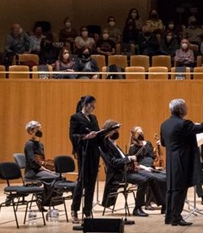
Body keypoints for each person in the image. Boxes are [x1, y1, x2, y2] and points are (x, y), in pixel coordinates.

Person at [160, 99, 203, 226]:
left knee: (171, 189)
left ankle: (168, 217)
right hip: (181, 160)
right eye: (185, 107)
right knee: (179, 189)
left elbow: (163, 143)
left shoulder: (164, 124)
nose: (187, 109)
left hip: (170, 160)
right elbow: (201, 127)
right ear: (180, 110)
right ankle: (176, 218)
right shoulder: (183, 124)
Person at [100, 120, 161, 217]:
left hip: (125, 171)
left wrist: (131, 160)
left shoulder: (113, 144)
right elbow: (113, 163)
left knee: (150, 177)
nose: (117, 132)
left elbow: (121, 158)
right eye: (115, 130)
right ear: (109, 131)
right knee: (143, 180)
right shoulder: (105, 146)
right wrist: (128, 158)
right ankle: (137, 209)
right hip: (117, 174)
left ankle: (163, 203)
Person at [69, 95, 101, 223]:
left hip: (94, 153)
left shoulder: (93, 118)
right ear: (85, 104)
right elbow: (72, 135)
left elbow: (97, 133)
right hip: (84, 152)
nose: (93, 108)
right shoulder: (75, 117)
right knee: (82, 181)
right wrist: (86, 136)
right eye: (91, 105)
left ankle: (87, 210)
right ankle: (74, 209)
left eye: (94, 106)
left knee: (91, 182)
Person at [128, 126, 167, 210]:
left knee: (165, 177)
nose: (141, 134)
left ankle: (165, 202)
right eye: (139, 133)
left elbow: (155, 156)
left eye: (142, 132)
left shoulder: (148, 143)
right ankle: (148, 202)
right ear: (134, 135)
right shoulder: (132, 147)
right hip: (141, 168)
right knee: (151, 178)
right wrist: (145, 168)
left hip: (151, 167)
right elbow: (134, 163)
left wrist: (159, 146)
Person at [23, 120, 59, 208]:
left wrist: (49, 167)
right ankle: (44, 200)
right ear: (31, 131)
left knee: (59, 175)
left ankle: (49, 199)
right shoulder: (29, 145)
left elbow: (41, 160)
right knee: (54, 177)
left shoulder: (40, 144)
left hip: (40, 170)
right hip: (32, 171)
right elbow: (32, 161)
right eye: (37, 129)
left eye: (40, 128)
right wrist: (45, 169)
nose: (39, 130)